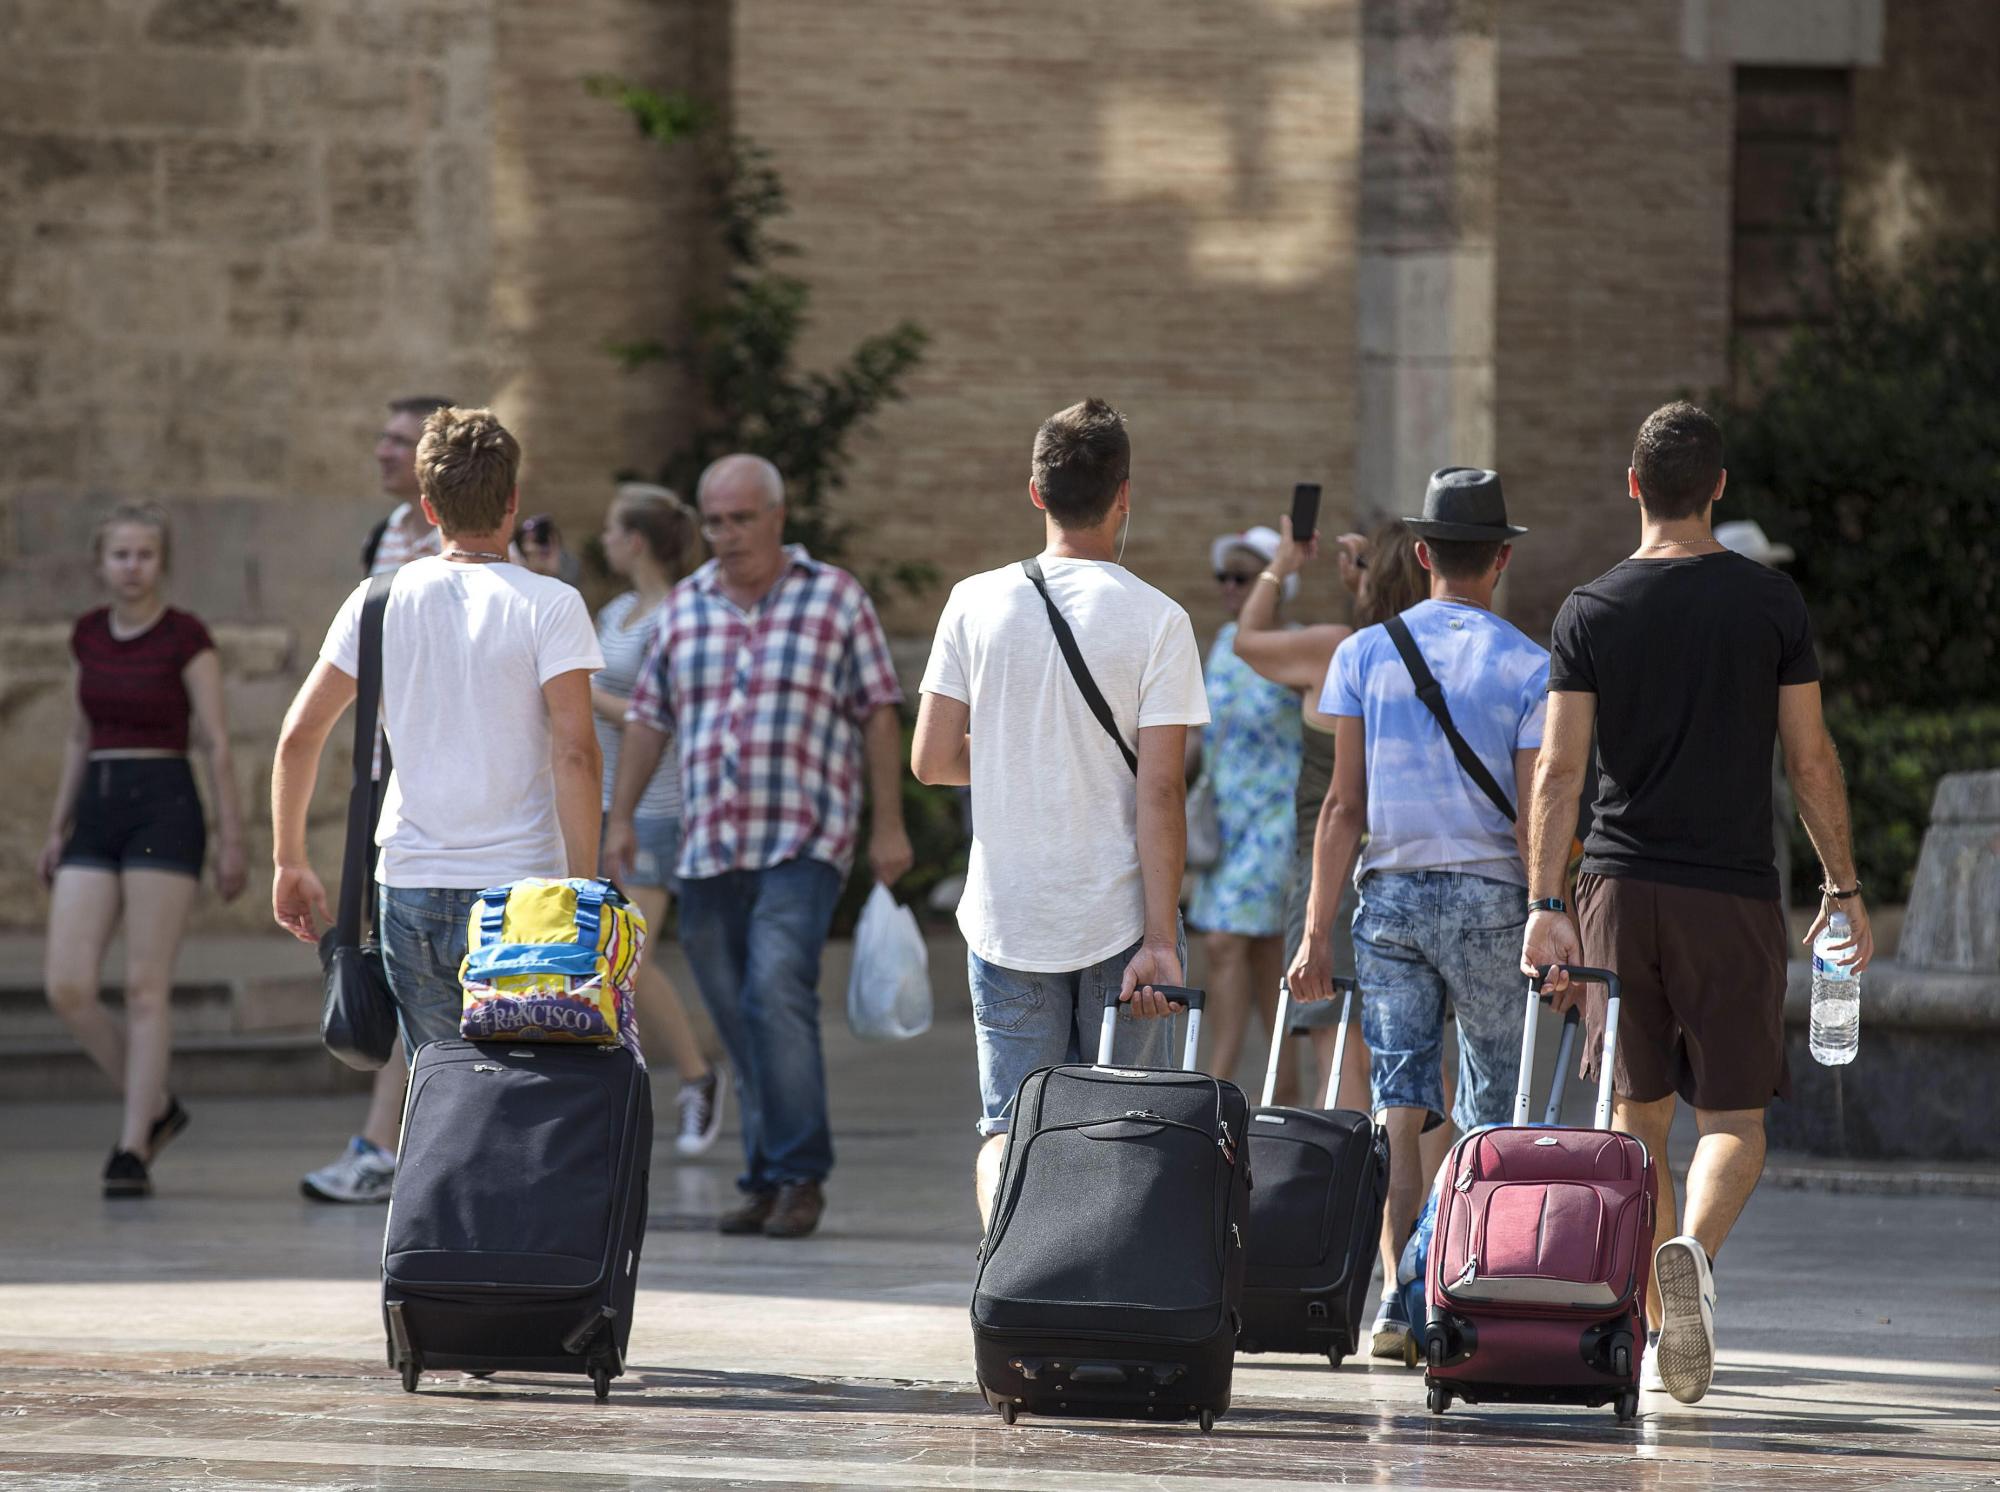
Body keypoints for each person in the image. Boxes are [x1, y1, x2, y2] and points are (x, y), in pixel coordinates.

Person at [1522, 402, 1872, 1407]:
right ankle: (1694, 1257)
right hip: (1731, 893)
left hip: (1617, 890)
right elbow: (1809, 759)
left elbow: (1559, 769)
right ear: (1717, 487)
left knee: (1636, 1119)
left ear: (1632, 485)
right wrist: (1842, 887)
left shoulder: (1588, 608)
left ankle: (1662, 1324)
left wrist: (1544, 900)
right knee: (1734, 1117)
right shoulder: (1769, 603)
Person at [911, 398, 1210, 1228]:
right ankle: (1105, 1290)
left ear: (1036, 493)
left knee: (1010, 1132)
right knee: (1127, 1133)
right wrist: (1160, 940)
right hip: (1121, 924)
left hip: (1007, 919)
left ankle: (1009, 1278)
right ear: (1124, 495)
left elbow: (931, 760)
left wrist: (1016, 758)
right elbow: (1161, 790)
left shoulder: (973, 601)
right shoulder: (1160, 620)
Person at [607, 454, 910, 1241]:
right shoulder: (685, 607)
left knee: (776, 990)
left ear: (778, 517)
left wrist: (888, 824)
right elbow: (649, 719)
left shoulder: (834, 597)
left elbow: (879, 710)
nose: (728, 535)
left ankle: (800, 1175)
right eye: (715, 522)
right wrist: (621, 818)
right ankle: (766, 1176)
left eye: (743, 519)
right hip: (708, 847)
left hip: (803, 841)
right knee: (738, 1018)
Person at [1286, 466, 1548, 1361]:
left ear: (1425, 553)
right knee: (1489, 1106)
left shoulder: (1363, 654)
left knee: (1398, 1104)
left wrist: (1314, 934)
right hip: (1490, 900)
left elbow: (1340, 808)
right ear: (1501, 559)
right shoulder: (1529, 665)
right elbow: (1534, 816)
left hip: (1389, 898)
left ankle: (1395, 1311)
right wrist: (1551, 911)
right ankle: (1437, 1283)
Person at [270, 408, 605, 1061]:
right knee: (526, 1086)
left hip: (412, 884)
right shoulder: (551, 604)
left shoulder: (376, 601)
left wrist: (289, 860)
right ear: (512, 500)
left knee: (441, 1082)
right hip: (523, 888)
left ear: (428, 507)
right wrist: (584, 888)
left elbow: (300, 736)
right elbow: (575, 754)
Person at [40, 501, 248, 1197]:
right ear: (100, 563)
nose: (133, 567)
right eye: (120, 554)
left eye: (145, 554)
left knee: (144, 985)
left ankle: (133, 1144)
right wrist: (56, 827)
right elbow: (77, 735)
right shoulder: (87, 635)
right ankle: (155, 1103)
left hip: (165, 803)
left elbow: (217, 742)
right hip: (98, 804)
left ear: (163, 563)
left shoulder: (187, 636)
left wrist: (233, 838)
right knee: (67, 983)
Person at [300, 393, 453, 1206]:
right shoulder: (385, 537)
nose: (382, 452)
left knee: (409, 965)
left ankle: (391, 1144)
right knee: (388, 961)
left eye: (400, 441)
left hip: (441, 781)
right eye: (382, 438)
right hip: (386, 776)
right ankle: (393, 1143)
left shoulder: (466, 549)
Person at [1233, 516, 1430, 1114]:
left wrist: (1282, 565)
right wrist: (1371, 580)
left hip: (1333, 873)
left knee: (1342, 1056)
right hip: (1412, 869)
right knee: (1421, 1066)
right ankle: (1422, 1184)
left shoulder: (1337, 649)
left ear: (1369, 577)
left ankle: (1345, 1181)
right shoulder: (1432, 654)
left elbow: (1247, 639)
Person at [592, 481, 724, 1155]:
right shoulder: (615, 611)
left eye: (612, 530)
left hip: (657, 809)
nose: (604, 541)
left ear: (637, 540)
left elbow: (659, 715)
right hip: (600, 805)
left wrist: (584, 693)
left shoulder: (676, 615)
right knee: (599, 958)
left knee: (627, 957)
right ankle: (613, 1097)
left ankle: (698, 1078)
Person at [1188, 527, 1305, 1103]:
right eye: (1224, 578)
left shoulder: (1297, 644)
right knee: (1262, 954)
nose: (1230, 588)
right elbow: (1199, 734)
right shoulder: (1222, 643)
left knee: (1223, 942)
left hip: (1276, 819)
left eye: (1243, 577)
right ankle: (1284, 1083)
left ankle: (1215, 1081)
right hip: (1226, 819)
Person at [516, 513, 581, 586]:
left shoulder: (568, 561)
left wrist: (552, 571)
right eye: (527, 540)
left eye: (540, 539)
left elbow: (570, 582)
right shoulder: (517, 563)